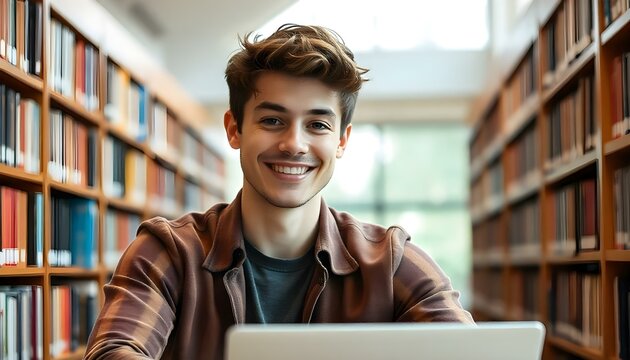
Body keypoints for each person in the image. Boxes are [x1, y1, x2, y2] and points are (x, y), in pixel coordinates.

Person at [84, 23, 473, 360]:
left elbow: (472, 353)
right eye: (272, 120)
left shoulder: (389, 262)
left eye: (318, 125)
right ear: (234, 130)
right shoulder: (169, 252)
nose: (294, 144)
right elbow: (113, 352)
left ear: (342, 140)